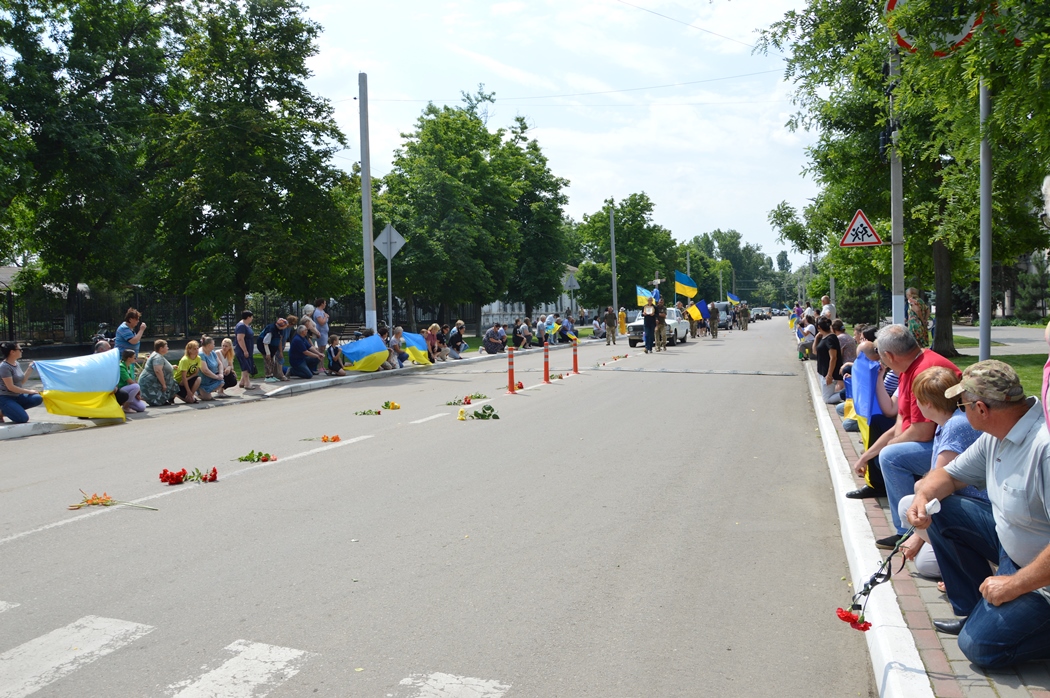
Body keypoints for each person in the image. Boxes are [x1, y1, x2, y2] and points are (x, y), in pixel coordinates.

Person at [906, 361, 1050, 669]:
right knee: (941, 509)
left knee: (979, 647)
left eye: (962, 404)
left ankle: (1004, 621)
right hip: (1016, 552)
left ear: (981, 408)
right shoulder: (997, 433)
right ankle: (976, 611)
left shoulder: (1044, 449)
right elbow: (948, 477)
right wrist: (922, 498)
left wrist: (1014, 585)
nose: (960, 411)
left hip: (1042, 576)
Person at [853, 324, 960, 549]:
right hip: (939, 441)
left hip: (954, 446)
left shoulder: (924, 371)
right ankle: (912, 529)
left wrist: (884, 450)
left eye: (881, 358)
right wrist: (866, 456)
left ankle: (908, 530)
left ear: (889, 356)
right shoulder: (909, 368)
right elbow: (901, 424)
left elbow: (922, 432)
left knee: (892, 456)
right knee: (888, 452)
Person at [896, 366, 984, 580]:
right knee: (927, 565)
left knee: (909, 503)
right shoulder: (949, 421)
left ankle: (978, 570)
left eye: (917, 399)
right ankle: (963, 563)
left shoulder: (955, 425)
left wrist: (917, 535)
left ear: (927, 403)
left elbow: (941, 482)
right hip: (963, 505)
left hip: (976, 508)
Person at [0, 342, 42, 423]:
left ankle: (5, 411)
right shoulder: (4, 367)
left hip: (17, 396)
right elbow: (11, 387)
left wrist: (29, 369)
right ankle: (6, 410)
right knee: (22, 419)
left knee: (37, 398)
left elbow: (20, 383)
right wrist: (29, 391)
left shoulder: (17, 363)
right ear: (12, 352)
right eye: (20, 349)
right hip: (5, 397)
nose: (22, 351)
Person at [138, 339, 178, 406]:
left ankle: (167, 398)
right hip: (150, 384)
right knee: (158, 402)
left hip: (154, 383)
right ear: (161, 348)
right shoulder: (157, 357)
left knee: (173, 384)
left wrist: (172, 367)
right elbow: (158, 370)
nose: (168, 348)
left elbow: (162, 367)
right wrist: (163, 384)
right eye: (166, 346)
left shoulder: (157, 355)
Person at [814, 317, 843, 404]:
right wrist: (816, 339)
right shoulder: (823, 337)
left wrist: (829, 375)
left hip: (829, 373)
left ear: (818, 327)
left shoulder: (831, 338)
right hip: (822, 372)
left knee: (827, 399)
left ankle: (846, 394)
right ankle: (844, 394)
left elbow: (833, 357)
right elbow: (815, 351)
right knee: (827, 396)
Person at [258, 318, 289, 383]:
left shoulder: (280, 330)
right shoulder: (271, 330)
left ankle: (271, 375)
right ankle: (268, 376)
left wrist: (280, 351)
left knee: (273, 361)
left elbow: (279, 340)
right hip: (264, 346)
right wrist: (268, 353)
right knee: (268, 360)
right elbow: (265, 342)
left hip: (272, 347)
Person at [234, 310, 256, 390]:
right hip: (242, 349)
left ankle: (242, 382)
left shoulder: (246, 325)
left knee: (247, 364)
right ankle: (247, 383)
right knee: (245, 366)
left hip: (248, 349)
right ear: (248, 317)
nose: (252, 319)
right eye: (251, 317)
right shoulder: (241, 326)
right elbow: (240, 339)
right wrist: (245, 350)